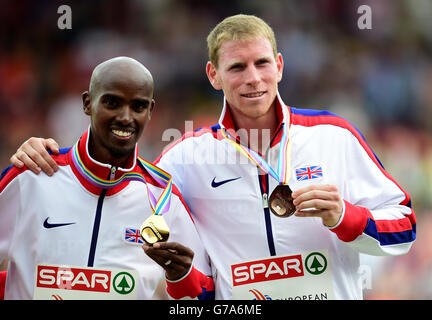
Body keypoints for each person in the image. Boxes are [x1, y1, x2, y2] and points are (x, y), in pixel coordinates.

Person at [10, 15, 416, 300]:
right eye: (237, 67)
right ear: (213, 75)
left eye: (261, 63)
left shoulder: (334, 136)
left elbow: (405, 228)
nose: (253, 78)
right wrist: (47, 157)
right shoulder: (184, 158)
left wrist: (344, 217)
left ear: (279, 66)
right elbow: (119, 185)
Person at [0, 56, 213, 300]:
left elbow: (205, 292)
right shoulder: (32, 175)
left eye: (138, 106)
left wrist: (182, 277)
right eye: (112, 102)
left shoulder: (163, 198)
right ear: (88, 103)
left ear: (150, 111)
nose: (125, 117)